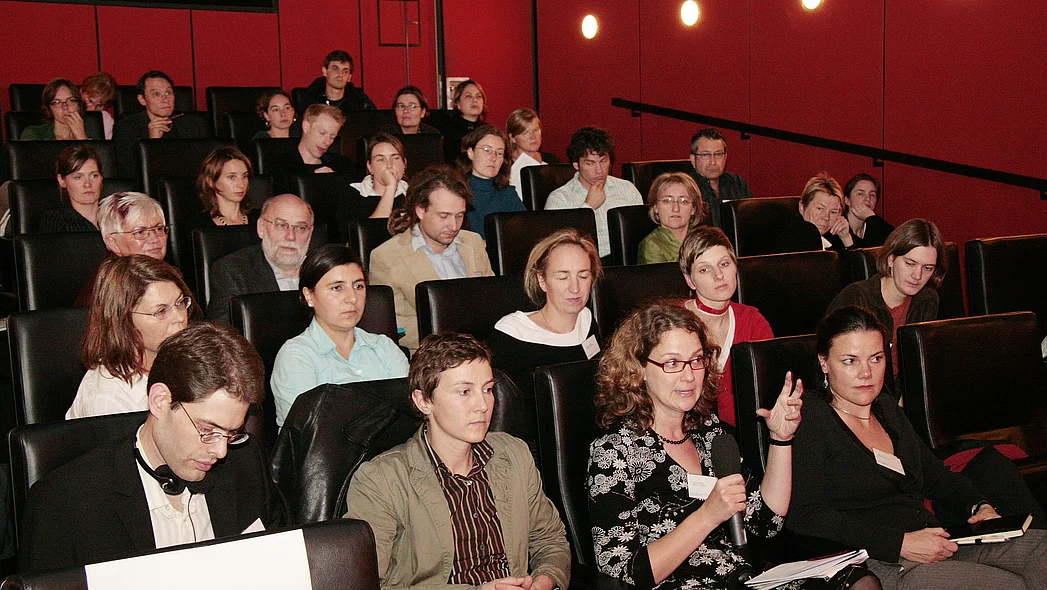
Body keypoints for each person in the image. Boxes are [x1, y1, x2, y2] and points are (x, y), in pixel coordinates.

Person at [787, 306, 1047, 589]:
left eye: (876, 359)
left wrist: (979, 506)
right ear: (824, 363)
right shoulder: (811, 417)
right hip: (880, 558)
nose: (866, 373)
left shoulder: (885, 408)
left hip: (936, 539)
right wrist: (900, 543)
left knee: (1042, 550)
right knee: (1008, 585)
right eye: (850, 361)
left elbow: (936, 476)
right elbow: (805, 514)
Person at [24, 322, 287, 573]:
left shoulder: (246, 462)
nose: (221, 451)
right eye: (207, 430)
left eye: (231, 433)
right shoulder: (65, 503)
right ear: (160, 401)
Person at [587, 303, 804, 589]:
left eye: (696, 360)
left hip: (738, 579)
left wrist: (781, 439)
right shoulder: (614, 452)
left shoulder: (709, 432)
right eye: (672, 363)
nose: (689, 376)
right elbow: (622, 569)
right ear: (638, 370)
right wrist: (707, 516)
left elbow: (766, 522)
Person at [345, 332, 571, 590]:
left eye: (488, 389)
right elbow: (368, 584)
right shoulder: (381, 480)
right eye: (464, 392)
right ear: (423, 401)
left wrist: (542, 582)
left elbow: (550, 540)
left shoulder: (513, 454)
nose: (483, 405)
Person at [486, 229, 603, 451]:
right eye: (562, 277)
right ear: (542, 280)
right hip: (533, 449)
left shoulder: (587, 320)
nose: (575, 288)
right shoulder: (512, 333)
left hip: (587, 437)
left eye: (583, 276)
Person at [271, 244, 408, 427]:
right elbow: (311, 429)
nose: (352, 298)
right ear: (309, 296)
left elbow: (409, 414)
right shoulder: (296, 356)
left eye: (358, 286)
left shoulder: (384, 347)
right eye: (337, 288)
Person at [369, 166, 495, 352]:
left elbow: (492, 302)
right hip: (429, 354)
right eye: (444, 216)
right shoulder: (387, 257)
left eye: (459, 215)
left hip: (480, 349)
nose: (453, 225)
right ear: (420, 210)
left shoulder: (473, 243)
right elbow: (392, 326)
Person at [67, 255, 195, 419]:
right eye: (161, 311)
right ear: (124, 322)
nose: (179, 317)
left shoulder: (188, 359)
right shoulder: (106, 400)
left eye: (179, 303)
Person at [678, 226, 772, 426]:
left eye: (724, 264)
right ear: (690, 280)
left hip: (746, 431)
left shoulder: (753, 321)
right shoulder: (672, 324)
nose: (718, 275)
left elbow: (768, 390)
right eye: (704, 269)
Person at [825, 219, 945, 376]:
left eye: (927, 268)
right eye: (910, 264)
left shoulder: (927, 300)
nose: (918, 275)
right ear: (891, 259)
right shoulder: (856, 298)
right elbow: (832, 362)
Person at [207, 194, 314, 324]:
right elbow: (221, 332)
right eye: (281, 225)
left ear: (310, 233)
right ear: (261, 228)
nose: (291, 236)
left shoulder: (327, 271)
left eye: (301, 228)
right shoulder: (232, 271)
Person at [545, 127, 643, 260]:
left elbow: (641, 233)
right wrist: (588, 207)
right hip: (585, 263)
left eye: (603, 161)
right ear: (576, 165)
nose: (599, 170)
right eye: (590, 163)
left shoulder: (627, 189)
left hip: (628, 261)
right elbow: (558, 245)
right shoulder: (560, 199)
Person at [77, 191, 171, 307]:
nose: (155, 239)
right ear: (113, 243)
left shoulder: (168, 273)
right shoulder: (113, 288)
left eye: (158, 229)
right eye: (140, 232)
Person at [112, 71, 209, 177]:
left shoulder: (193, 125)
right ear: (142, 100)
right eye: (156, 94)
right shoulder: (125, 128)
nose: (165, 100)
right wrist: (152, 143)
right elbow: (128, 173)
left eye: (168, 93)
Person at [267, 104, 357, 195]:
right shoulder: (279, 166)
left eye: (332, 137)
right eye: (322, 133)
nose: (327, 142)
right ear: (306, 126)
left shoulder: (343, 165)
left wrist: (335, 182)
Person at [334, 132, 408, 242]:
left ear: (404, 163)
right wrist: (390, 187)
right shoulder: (352, 195)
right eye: (380, 160)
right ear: (370, 167)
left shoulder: (415, 194)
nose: (389, 165)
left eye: (395, 158)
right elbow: (372, 239)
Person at [457, 124, 525, 240]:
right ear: (470, 152)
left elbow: (525, 232)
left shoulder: (509, 194)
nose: (493, 158)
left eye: (499, 153)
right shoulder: (456, 192)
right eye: (487, 150)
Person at [687, 128, 753, 228]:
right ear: (693, 159)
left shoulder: (737, 183)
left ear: (725, 157)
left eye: (718, 154)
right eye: (705, 155)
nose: (713, 162)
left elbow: (751, 221)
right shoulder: (686, 188)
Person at [775, 173, 853, 254]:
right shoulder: (795, 234)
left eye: (833, 212)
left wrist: (846, 238)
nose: (826, 217)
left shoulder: (832, 239)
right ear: (802, 207)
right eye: (820, 209)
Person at [637, 172, 706, 264]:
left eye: (683, 201)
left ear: (693, 209)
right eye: (667, 201)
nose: (676, 208)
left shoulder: (703, 240)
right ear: (655, 207)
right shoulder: (652, 245)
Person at [40, 144, 103, 233]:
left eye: (94, 176)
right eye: (78, 177)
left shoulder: (117, 215)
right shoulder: (56, 220)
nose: (87, 184)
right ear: (62, 181)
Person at [192, 146, 258, 229]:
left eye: (244, 176)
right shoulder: (199, 226)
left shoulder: (261, 219)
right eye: (232, 177)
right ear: (211, 181)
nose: (241, 184)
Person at [299, 50, 376, 116]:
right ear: (325, 71)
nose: (340, 74)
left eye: (345, 71)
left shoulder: (360, 103)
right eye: (335, 69)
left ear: (349, 77)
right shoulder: (309, 101)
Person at [506, 108, 558, 201]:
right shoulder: (505, 165)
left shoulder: (551, 160)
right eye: (525, 132)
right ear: (513, 138)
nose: (533, 136)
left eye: (536, 130)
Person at [19, 78, 92, 141]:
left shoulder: (92, 136)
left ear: (79, 105)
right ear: (49, 108)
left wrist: (82, 137)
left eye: (70, 101)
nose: (65, 107)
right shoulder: (34, 135)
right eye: (57, 102)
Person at [439, 79, 487, 163]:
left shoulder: (487, 131)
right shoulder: (448, 131)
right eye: (468, 96)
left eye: (478, 96)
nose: (475, 100)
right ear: (458, 104)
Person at [843, 173, 894, 248]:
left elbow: (896, 238)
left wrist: (871, 218)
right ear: (847, 200)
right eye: (860, 194)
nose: (868, 198)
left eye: (872, 195)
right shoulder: (838, 230)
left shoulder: (877, 228)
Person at [81, 71, 117, 140]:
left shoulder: (106, 120)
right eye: (90, 101)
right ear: (81, 91)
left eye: (99, 106)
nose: (92, 109)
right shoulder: (66, 110)